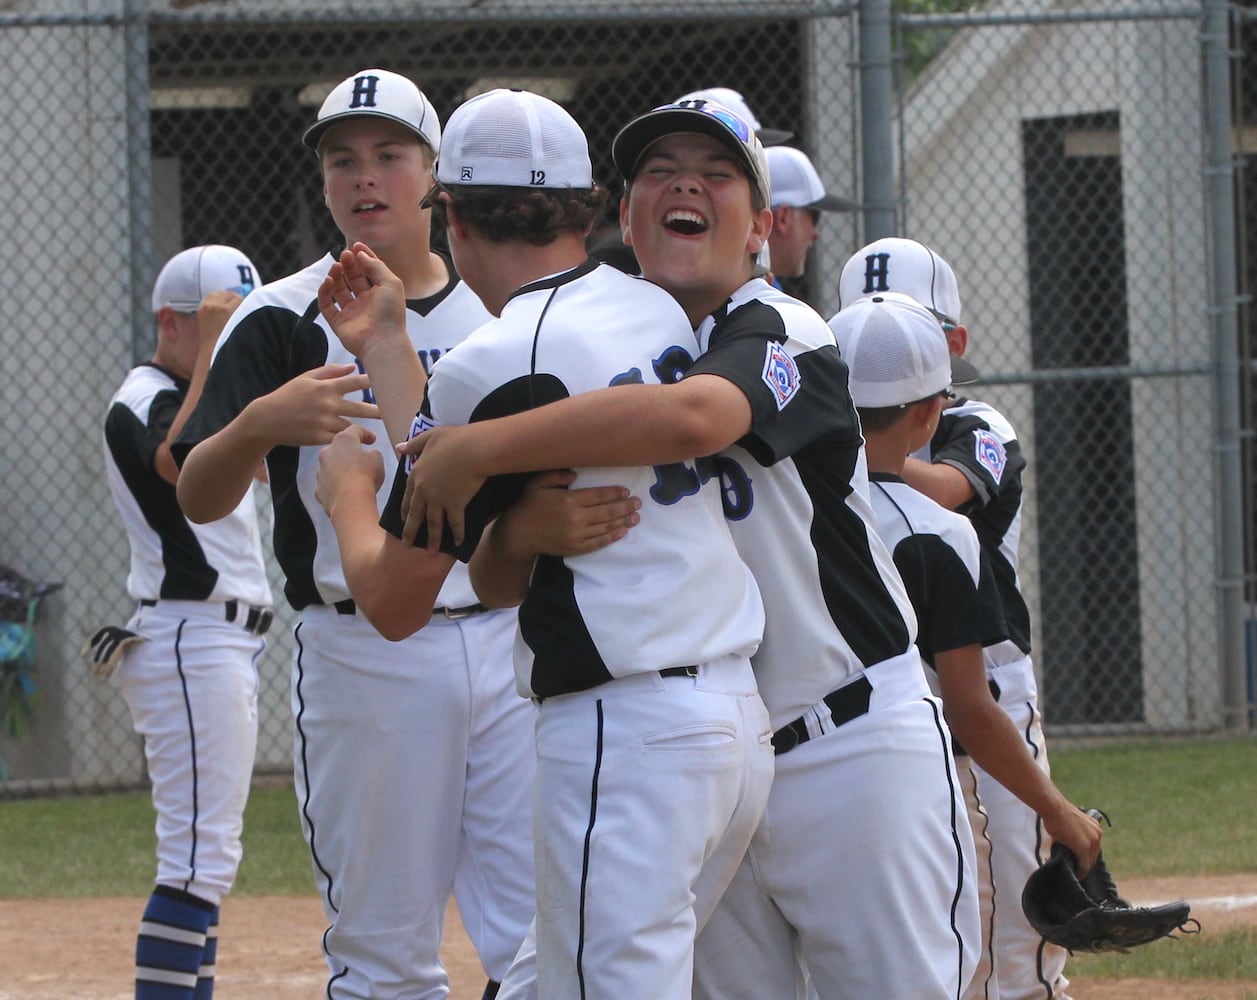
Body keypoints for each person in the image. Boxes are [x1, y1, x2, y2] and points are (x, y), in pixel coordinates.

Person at [396, 97, 981, 999]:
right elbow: (499, 579)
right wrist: (519, 528)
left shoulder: (784, 329)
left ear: (762, 226)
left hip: (850, 740)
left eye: (716, 175)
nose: (684, 186)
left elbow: (696, 417)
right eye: (660, 172)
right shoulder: (613, 336)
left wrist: (475, 446)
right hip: (725, 745)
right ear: (623, 215)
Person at [313, 87, 773, 1000]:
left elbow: (398, 600)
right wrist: (394, 347)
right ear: (591, 207)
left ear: (449, 214)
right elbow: (471, 482)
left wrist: (346, 500)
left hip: (625, 731)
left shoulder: (495, 361)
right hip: (729, 724)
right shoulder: (658, 308)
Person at [171, 70, 543, 999]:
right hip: (365, 648)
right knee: (384, 951)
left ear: (436, 178)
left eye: (389, 156)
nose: (364, 178)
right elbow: (198, 495)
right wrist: (259, 422)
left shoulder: (496, 306)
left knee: (544, 935)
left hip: (507, 635)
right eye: (343, 160)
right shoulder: (279, 316)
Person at [830, 290, 1105, 1000]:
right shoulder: (939, 534)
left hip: (785, 772)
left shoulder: (775, 506)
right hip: (909, 755)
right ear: (928, 411)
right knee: (965, 948)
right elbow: (970, 709)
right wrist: (1056, 808)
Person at [97, 243, 270, 999]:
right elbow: (178, 457)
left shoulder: (210, 390)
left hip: (217, 640)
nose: (231, 342)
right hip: (186, 634)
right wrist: (216, 357)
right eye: (216, 324)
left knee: (209, 859)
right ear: (172, 322)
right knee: (195, 861)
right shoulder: (142, 394)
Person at [762, 144, 857, 287]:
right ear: (783, 218)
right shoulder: (760, 296)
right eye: (814, 217)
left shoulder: (730, 282)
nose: (815, 233)